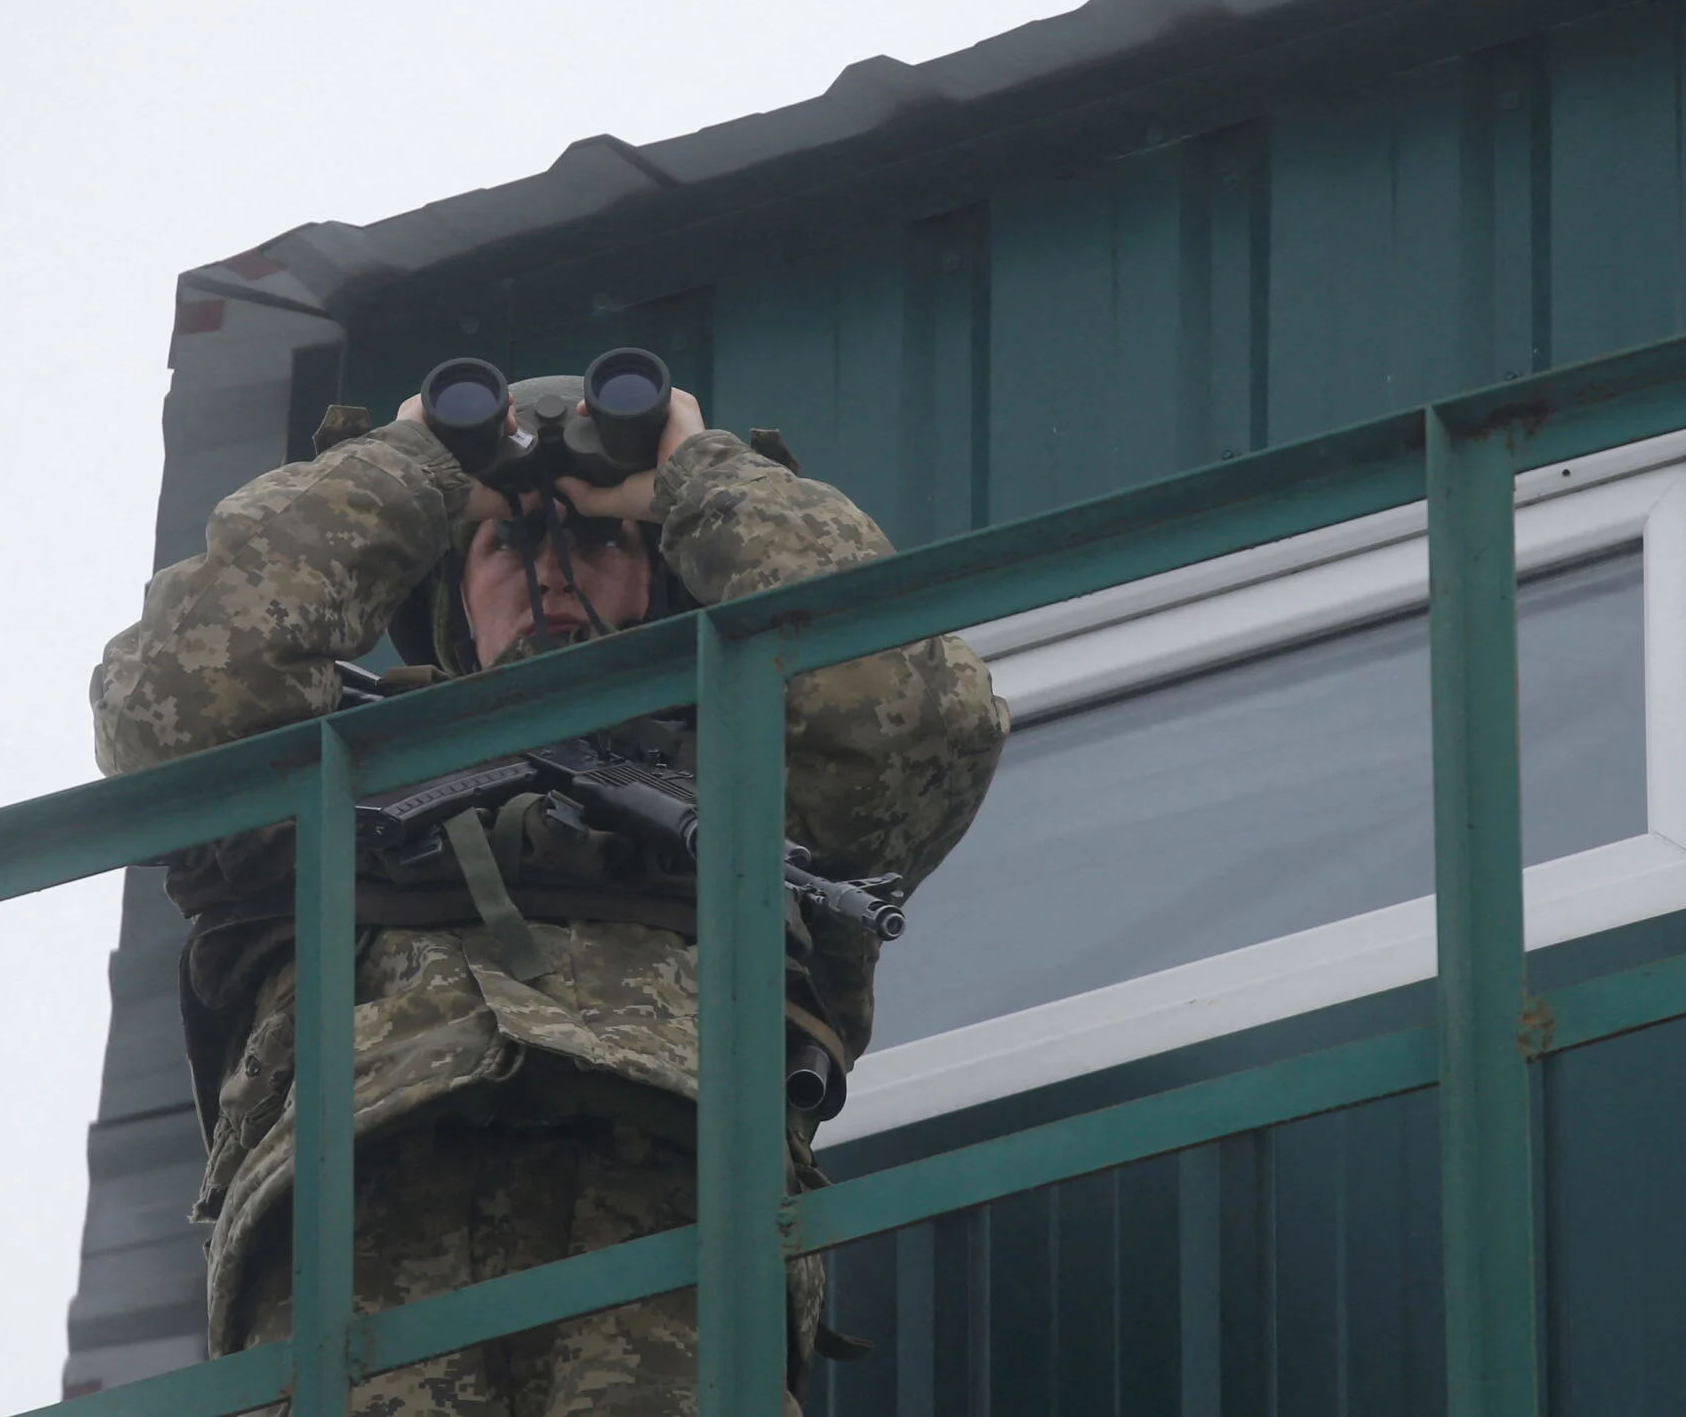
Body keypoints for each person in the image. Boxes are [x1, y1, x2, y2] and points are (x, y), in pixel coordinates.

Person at [92, 377, 1009, 1415]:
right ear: (451, 594)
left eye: (603, 542)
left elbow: (913, 715)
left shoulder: (749, 768)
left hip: (671, 1214)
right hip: (357, 1227)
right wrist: (412, 473)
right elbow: (172, 700)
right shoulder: (324, 771)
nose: (555, 568)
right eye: (508, 541)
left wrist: (697, 482)